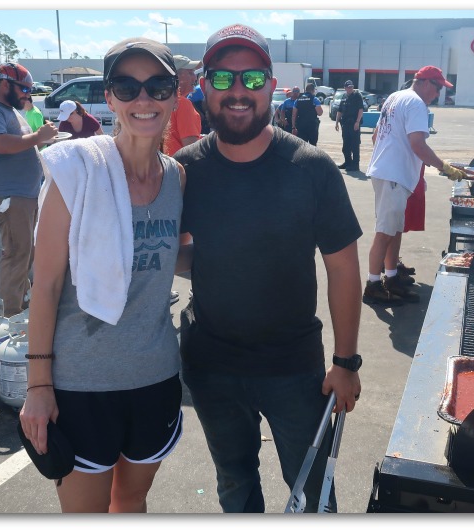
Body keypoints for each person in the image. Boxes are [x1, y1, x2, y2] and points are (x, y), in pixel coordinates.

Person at [173, 23, 362, 513]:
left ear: (272, 87)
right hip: (212, 366)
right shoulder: (184, 169)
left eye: (252, 79)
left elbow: (343, 270)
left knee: (314, 491)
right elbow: (166, 250)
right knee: (235, 485)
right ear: (204, 87)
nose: (238, 92)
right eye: (223, 78)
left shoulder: (311, 167)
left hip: (294, 368)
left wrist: (345, 364)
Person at [18, 37, 187, 513]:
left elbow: (168, 257)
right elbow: (46, 286)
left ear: (175, 94)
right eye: (127, 87)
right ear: (109, 97)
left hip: (155, 376)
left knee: (132, 501)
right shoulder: (78, 173)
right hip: (80, 384)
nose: (143, 100)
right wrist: (38, 387)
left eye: (157, 86)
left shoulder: (177, 178)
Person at [363, 65, 466, 306]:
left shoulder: (395, 97)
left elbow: (376, 135)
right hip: (393, 175)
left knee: (395, 229)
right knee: (384, 232)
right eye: (438, 87)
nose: (439, 93)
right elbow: (418, 145)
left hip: (389, 173)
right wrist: (445, 168)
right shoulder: (417, 104)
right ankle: (372, 285)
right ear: (425, 83)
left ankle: (391, 277)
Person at [0, 62, 58, 316]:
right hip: (9, 196)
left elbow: (20, 142)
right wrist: (39, 137)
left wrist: (40, 139)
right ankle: (11, 316)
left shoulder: (8, 109)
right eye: (25, 89)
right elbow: (0, 144)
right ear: (5, 84)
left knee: (25, 253)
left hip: (23, 194)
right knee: (17, 254)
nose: (28, 94)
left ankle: (22, 305)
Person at [164, 55, 203, 156]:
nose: (195, 77)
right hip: (181, 168)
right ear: (175, 77)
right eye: (190, 73)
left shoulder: (162, 102)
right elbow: (192, 150)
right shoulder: (183, 104)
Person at [335, 80, 364, 171]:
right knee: (346, 145)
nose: (350, 88)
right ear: (345, 88)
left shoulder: (357, 96)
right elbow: (340, 111)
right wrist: (336, 122)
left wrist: (357, 122)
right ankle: (348, 162)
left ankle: (355, 165)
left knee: (354, 145)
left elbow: (360, 110)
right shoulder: (344, 96)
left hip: (354, 124)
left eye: (351, 87)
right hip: (345, 124)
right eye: (348, 87)